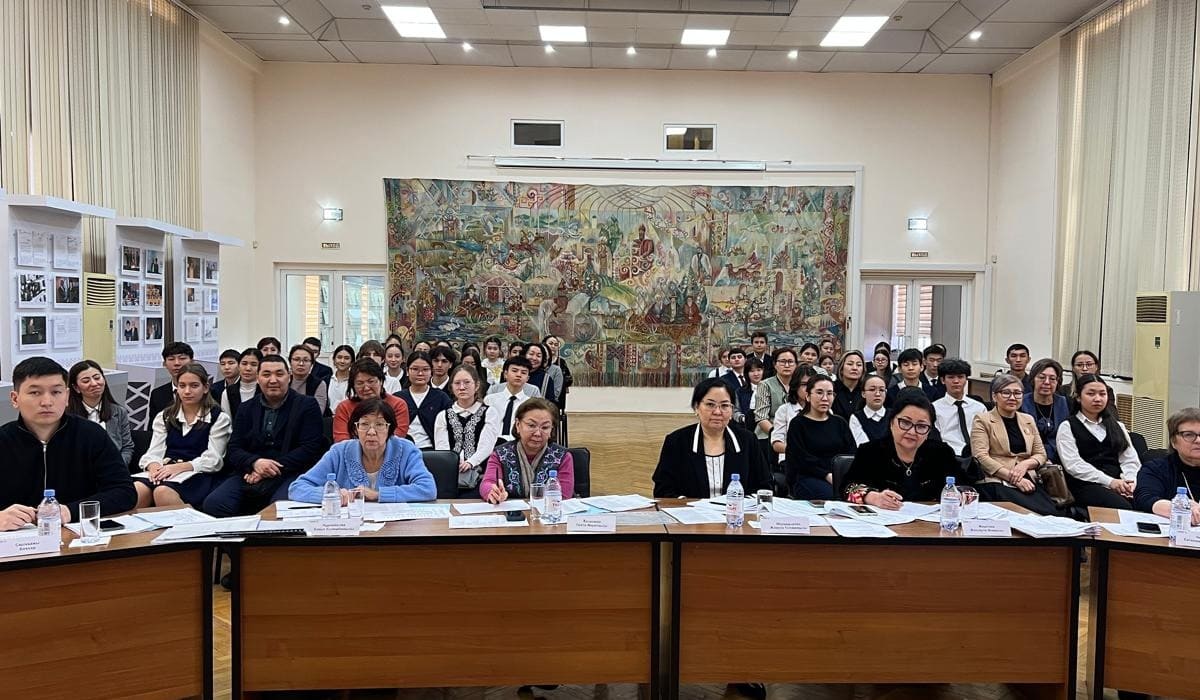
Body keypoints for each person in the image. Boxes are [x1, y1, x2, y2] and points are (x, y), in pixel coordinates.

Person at [0, 357, 135, 530]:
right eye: (35, 393)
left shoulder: (91, 435)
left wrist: (70, 511)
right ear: (15, 398)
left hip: (78, 534)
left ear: (67, 396)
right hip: (15, 538)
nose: (47, 402)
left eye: (56, 392)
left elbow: (124, 492)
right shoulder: (3, 440)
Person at [202, 355, 327, 517]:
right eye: (266, 374)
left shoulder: (307, 405)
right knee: (214, 504)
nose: (273, 380)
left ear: (289, 377)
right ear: (258, 378)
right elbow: (234, 447)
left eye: (279, 374)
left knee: (281, 510)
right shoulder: (246, 408)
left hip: (291, 471)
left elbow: (310, 448)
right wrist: (255, 463)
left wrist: (267, 469)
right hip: (251, 469)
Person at [289, 398, 436, 505]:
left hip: (394, 528)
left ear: (389, 429)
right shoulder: (339, 452)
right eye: (364, 424)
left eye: (379, 424)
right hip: (349, 527)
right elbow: (297, 488)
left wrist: (379, 494)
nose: (371, 432)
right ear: (355, 429)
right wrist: (331, 495)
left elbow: (428, 489)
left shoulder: (406, 450)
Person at [652, 378, 770, 498]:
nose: (717, 412)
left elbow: (764, 486)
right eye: (710, 405)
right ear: (696, 407)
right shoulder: (676, 442)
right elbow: (663, 490)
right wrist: (689, 504)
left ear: (732, 410)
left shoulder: (748, 440)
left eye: (724, 405)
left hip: (737, 509)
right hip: (692, 510)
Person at [135, 363, 232, 508]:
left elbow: (214, 460)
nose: (187, 391)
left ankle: (191, 521)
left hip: (198, 473)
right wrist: (153, 466)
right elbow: (154, 451)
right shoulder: (165, 416)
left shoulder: (218, 418)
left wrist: (181, 467)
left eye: (194, 386)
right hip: (166, 469)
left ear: (205, 388)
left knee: (162, 492)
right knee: (137, 489)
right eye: (182, 386)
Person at [843, 391, 961, 507]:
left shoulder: (942, 453)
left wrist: (961, 495)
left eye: (921, 426)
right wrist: (872, 497)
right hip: (884, 517)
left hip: (930, 518)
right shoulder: (870, 451)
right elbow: (847, 488)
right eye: (905, 423)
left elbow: (965, 487)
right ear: (891, 423)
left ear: (929, 431)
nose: (912, 432)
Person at [970, 374, 1056, 515]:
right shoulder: (983, 420)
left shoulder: (1028, 419)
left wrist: (1025, 464)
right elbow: (980, 456)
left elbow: (1041, 454)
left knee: (1052, 513)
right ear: (994, 396)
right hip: (998, 479)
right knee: (1030, 514)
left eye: (1017, 393)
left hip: (1028, 477)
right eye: (1006, 393)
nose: (1012, 397)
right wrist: (1013, 478)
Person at [1056, 374, 1140, 511]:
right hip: (1085, 485)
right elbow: (1073, 464)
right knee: (1123, 507)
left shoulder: (1117, 426)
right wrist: (1110, 482)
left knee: (1145, 501)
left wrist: (1130, 482)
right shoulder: (1067, 426)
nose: (1097, 399)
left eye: (1102, 394)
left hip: (1118, 481)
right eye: (1091, 394)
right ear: (1078, 397)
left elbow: (1129, 459)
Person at [481, 398, 575, 503]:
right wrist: (493, 493)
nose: (538, 433)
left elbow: (563, 496)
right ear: (518, 425)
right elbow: (488, 482)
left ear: (551, 429)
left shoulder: (562, 456)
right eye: (531, 425)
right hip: (511, 511)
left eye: (545, 427)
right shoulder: (500, 454)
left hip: (548, 511)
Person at [434, 365, 501, 498]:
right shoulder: (443, 415)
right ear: (451, 387)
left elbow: (487, 444)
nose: (462, 387)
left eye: (467, 382)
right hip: (451, 473)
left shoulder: (490, 412)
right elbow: (442, 447)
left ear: (476, 385)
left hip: (481, 473)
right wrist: (452, 462)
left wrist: (471, 462)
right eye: (457, 383)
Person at [786, 374, 856, 500]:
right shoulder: (798, 424)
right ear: (808, 396)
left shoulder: (840, 423)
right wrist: (826, 475)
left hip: (839, 476)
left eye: (829, 393)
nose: (825, 398)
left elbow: (851, 453)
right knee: (832, 497)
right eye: (819, 393)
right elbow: (801, 458)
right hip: (808, 477)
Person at [1134, 407, 1200, 524]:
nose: (1198, 440)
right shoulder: (1155, 468)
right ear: (1173, 441)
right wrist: (1180, 508)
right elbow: (1145, 498)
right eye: (1189, 435)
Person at [66, 360, 134, 468]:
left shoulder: (119, 412)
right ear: (76, 388)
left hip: (113, 471)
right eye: (86, 381)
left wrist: (116, 468)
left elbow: (127, 447)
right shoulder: (67, 416)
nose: (94, 384)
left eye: (97, 378)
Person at [332, 359, 410, 442]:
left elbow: (396, 439)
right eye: (360, 383)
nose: (366, 388)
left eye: (371, 381)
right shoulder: (344, 408)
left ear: (381, 381)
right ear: (353, 386)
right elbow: (342, 441)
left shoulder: (398, 405)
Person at [396, 352, 453, 450]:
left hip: (432, 451)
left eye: (425, 369)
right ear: (407, 371)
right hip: (402, 449)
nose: (420, 374)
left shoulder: (441, 398)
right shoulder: (398, 398)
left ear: (431, 371)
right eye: (415, 369)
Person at [933, 358, 987, 457]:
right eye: (951, 377)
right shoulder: (934, 408)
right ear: (943, 380)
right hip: (949, 455)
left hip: (978, 455)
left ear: (966, 379)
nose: (956, 381)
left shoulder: (979, 407)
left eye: (960, 377)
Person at [1020, 358, 1070, 462]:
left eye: (1052, 379)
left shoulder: (1066, 403)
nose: (1047, 382)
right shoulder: (1020, 403)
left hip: (1061, 458)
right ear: (1033, 379)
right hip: (1028, 457)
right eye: (1042, 377)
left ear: (1058, 382)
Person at [753, 348, 799, 457]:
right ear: (775, 364)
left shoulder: (800, 385)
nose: (787, 365)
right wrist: (777, 434)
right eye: (782, 361)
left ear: (796, 364)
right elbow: (761, 417)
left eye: (790, 362)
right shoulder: (765, 384)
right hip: (768, 435)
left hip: (796, 435)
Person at [485, 357, 541, 442]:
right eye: (514, 371)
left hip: (519, 443)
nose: (519, 375)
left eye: (523, 372)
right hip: (491, 443)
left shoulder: (531, 404)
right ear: (505, 374)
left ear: (527, 378)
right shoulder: (490, 400)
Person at [771, 366, 818, 464]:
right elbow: (777, 444)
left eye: (812, 385)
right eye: (804, 384)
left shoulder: (824, 410)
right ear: (795, 385)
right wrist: (800, 452)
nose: (808, 389)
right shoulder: (784, 410)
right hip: (791, 460)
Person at [148, 341, 194, 420]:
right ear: (164, 364)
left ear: (192, 362)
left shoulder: (204, 391)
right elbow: (153, 425)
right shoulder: (157, 394)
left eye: (182, 358)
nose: (176, 363)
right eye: (171, 359)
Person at [220, 348, 262, 421]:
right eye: (244, 364)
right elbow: (227, 421)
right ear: (239, 366)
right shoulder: (228, 392)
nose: (248, 368)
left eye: (254, 364)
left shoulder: (265, 390)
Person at [849, 374, 889, 446]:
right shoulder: (856, 417)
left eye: (881, 390)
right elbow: (863, 445)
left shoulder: (894, 415)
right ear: (863, 393)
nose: (877, 394)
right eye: (872, 389)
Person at [288, 345, 329, 415]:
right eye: (297, 359)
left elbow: (317, 412)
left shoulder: (319, 384)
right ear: (290, 362)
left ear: (312, 364)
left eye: (306, 360)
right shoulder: (284, 381)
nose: (301, 364)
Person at [831, 350, 866, 419]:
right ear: (841, 368)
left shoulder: (867, 390)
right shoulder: (832, 388)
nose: (855, 368)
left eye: (859, 365)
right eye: (850, 364)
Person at [543, 334, 573, 410]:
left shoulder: (561, 362)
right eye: (550, 343)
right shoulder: (540, 360)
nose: (553, 346)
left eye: (556, 345)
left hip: (558, 396)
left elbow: (569, 379)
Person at [326, 344, 355, 415]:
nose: (342, 361)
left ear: (352, 362)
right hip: (328, 419)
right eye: (339, 357)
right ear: (334, 360)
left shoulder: (356, 381)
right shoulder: (326, 380)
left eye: (346, 358)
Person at [740, 357, 764, 431]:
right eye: (752, 371)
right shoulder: (740, 391)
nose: (756, 374)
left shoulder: (770, 389)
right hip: (745, 428)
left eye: (759, 370)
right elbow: (736, 410)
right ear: (747, 373)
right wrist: (743, 418)